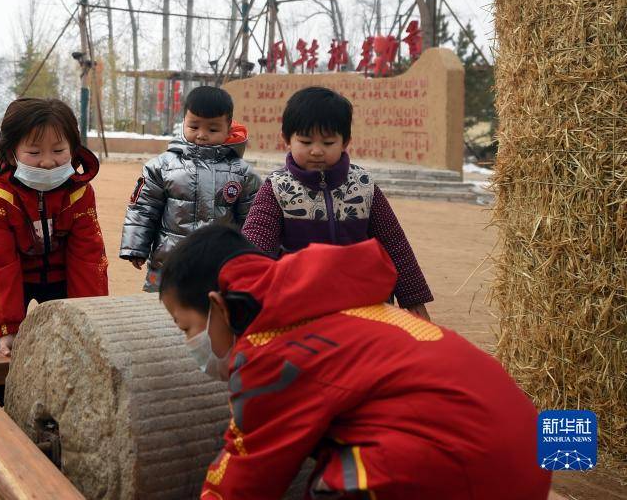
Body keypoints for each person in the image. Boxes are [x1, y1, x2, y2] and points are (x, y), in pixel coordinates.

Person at [159, 224, 552, 500]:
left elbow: (249, 474)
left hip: (471, 472)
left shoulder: (270, 350)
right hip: (526, 460)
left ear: (217, 307)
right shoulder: (338, 307)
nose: (189, 342)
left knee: (334, 484)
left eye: (186, 327)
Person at [241, 86, 433, 318]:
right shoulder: (277, 187)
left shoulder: (364, 185)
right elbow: (255, 243)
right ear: (287, 140)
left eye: (328, 143)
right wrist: (243, 295)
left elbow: (394, 243)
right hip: (301, 305)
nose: (317, 151)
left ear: (345, 142)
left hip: (365, 304)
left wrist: (413, 299)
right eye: (306, 141)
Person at [0, 98, 108, 362]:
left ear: (73, 148)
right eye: (34, 153)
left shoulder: (79, 192)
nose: (48, 162)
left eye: (58, 150)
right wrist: (7, 327)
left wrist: (89, 314)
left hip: (62, 274)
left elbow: (88, 257)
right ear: (11, 153)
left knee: (77, 345)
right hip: (15, 275)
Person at [120, 85, 262, 292]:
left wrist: (252, 257)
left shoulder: (243, 173)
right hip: (168, 264)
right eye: (194, 127)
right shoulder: (161, 167)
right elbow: (143, 208)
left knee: (215, 314)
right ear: (184, 121)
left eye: (212, 129)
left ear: (229, 126)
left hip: (221, 266)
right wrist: (135, 246)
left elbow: (253, 220)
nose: (202, 135)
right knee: (158, 312)